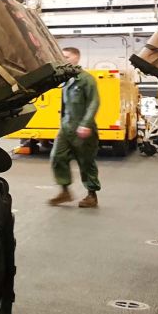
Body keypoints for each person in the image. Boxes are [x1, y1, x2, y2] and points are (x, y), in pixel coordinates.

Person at [48, 46, 101, 208]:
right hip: (66, 128)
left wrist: (85, 124)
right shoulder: (67, 80)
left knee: (86, 162)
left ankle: (92, 195)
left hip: (83, 128)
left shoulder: (86, 79)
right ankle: (65, 191)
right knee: (57, 157)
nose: (64, 60)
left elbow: (94, 102)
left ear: (76, 58)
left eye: (67, 57)